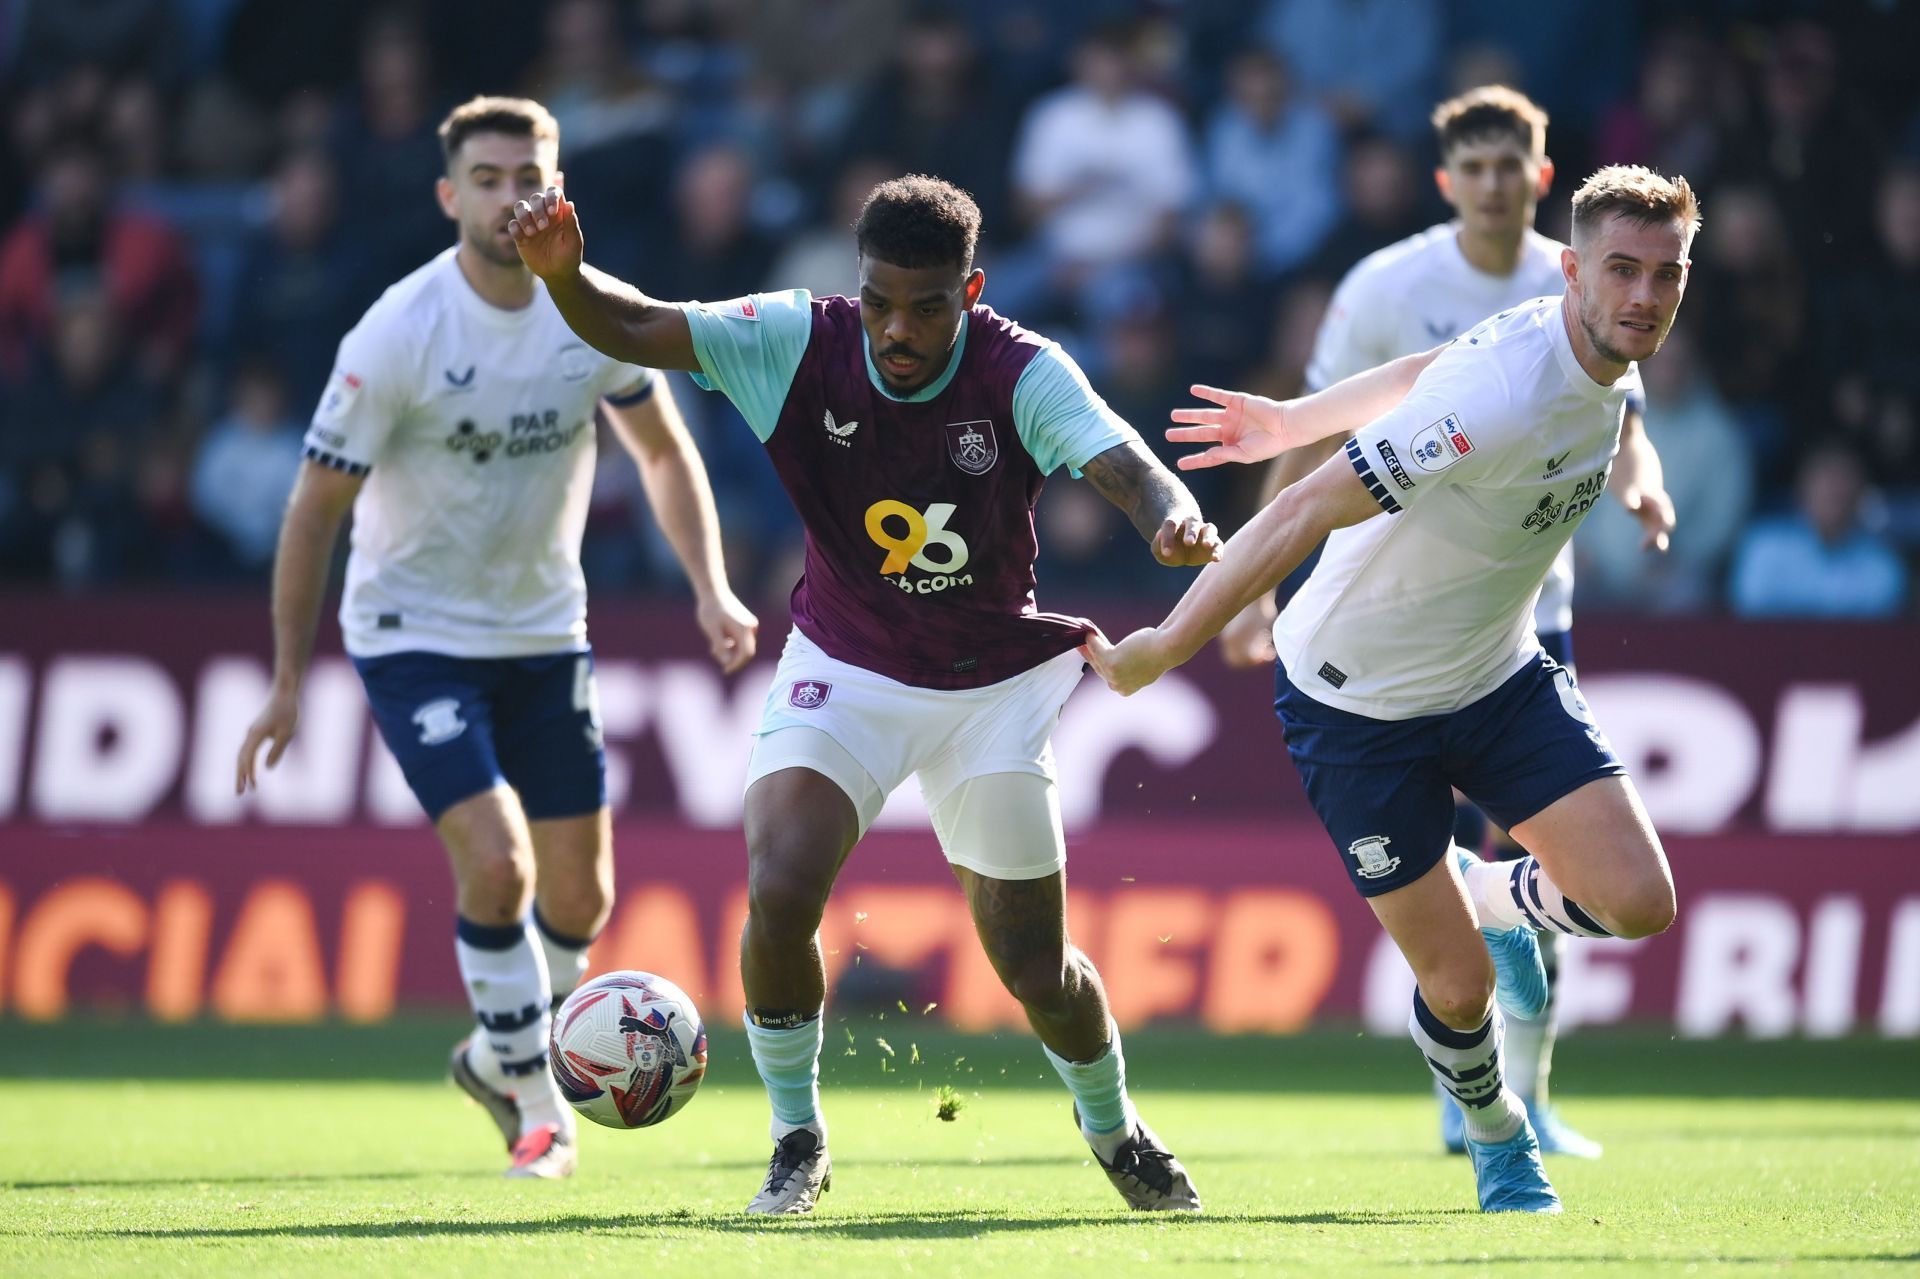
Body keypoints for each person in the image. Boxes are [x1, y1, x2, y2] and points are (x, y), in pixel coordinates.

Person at [508, 173, 1216, 1215]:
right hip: (845, 665)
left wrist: (1171, 516)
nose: (897, 328)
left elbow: (1127, 466)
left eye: (927, 307)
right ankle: (798, 1141)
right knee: (783, 880)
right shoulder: (795, 339)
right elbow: (635, 324)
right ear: (860, 285)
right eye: (880, 300)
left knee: (1034, 968)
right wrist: (563, 276)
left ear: (970, 293)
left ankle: (1114, 1128)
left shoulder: (1024, 370)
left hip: (993, 689)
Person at [1084, 165, 1695, 1213]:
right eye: (1622, 270)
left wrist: (1291, 416)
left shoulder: (1605, 362)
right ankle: (1502, 1138)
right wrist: (1169, 644)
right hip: (1352, 700)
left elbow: (1429, 364)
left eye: (1667, 274)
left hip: (1496, 676)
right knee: (1457, 992)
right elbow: (1299, 515)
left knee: (1640, 902)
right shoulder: (1506, 393)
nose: (1644, 295)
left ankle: (1491, 895)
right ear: (1571, 272)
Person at [233, 96, 758, 1180]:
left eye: (530, 172)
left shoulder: (589, 314)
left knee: (582, 900)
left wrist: (708, 584)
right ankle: (535, 1100)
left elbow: (662, 452)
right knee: (498, 861)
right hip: (411, 633)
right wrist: (288, 678)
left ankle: (493, 1050)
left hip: (543, 630)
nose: (511, 192)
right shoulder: (398, 332)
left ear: (558, 184)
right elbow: (314, 508)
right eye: (486, 176)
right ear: (448, 195)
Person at [1217, 87, 1677, 1161]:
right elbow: (1322, 439)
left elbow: (1626, 414)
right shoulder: (1392, 284)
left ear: (1541, 177)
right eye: (1471, 169)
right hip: (1395, 616)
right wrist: (1255, 585)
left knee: (1547, 867)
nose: (1491, 185)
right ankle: (1469, 1094)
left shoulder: (1617, 266)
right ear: (1446, 181)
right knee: (1461, 914)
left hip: (1525, 611)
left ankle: (1536, 1092)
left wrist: (1642, 485)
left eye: (1508, 168)